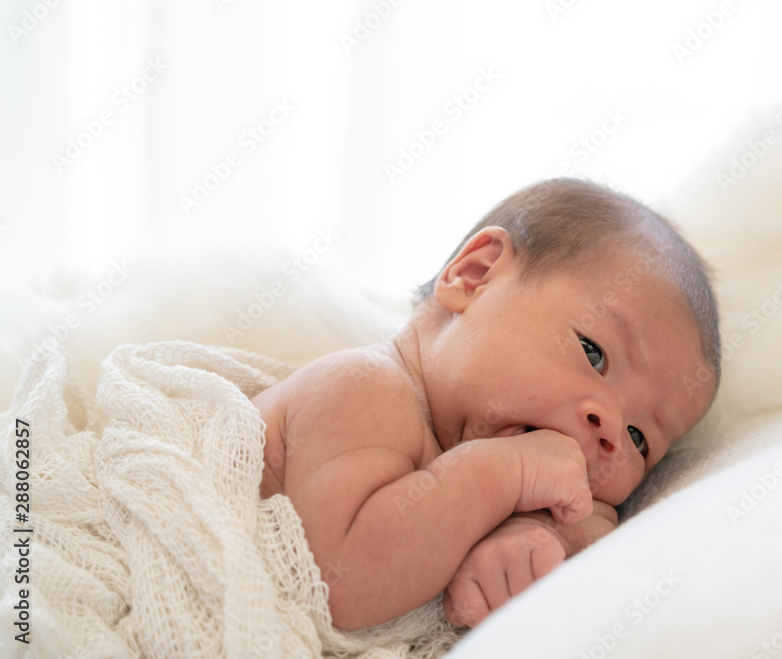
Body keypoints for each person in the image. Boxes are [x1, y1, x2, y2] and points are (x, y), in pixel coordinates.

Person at [251, 177, 721, 631]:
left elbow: (594, 531)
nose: (610, 429)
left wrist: (541, 538)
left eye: (640, 439)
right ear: (475, 276)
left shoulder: (527, 488)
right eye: (593, 353)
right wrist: (504, 472)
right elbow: (337, 582)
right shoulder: (365, 388)